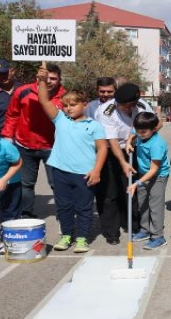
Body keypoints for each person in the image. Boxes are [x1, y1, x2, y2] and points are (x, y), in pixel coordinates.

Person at [35, 65, 108, 253]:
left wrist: (97, 170)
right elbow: (43, 100)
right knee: (64, 207)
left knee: (83, 207)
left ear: (84, 104)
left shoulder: (95, 126)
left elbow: (102, 149)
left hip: (84, 174)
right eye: (66, 105)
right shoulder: (60, 119)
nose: (68, 109)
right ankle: (66, 235)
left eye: (73, 105)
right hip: (60, 171)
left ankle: (82, 238)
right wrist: (42, 80)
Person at [1, 63, 65, 219]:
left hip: (53, 147)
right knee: (26, 184)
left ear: (59, 80)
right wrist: (8, 136)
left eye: (53, 78)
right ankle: (26, 214)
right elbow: (12, 115)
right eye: (45, 77)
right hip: (24, 145)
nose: (49, 81)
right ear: (38, 77)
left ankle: (63, 216)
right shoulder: (22, 91)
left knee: (57, 184)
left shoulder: (65, 96)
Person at [94, 83, 153, 245]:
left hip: (133, 150)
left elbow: (154, 124)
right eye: (123, 106)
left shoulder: (142, 106)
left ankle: (132, 224)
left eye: (129, 106)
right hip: (110, 152)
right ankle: (111, 231)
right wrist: (122, 162)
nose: (126, 109)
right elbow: (111, 140)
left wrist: (135, 138)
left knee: (130, 189)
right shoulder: (106, 111)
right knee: (109, 193)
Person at [126, 112, 170, 250]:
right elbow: (133, 133)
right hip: (143, 174)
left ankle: (158, 236)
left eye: (143, 132)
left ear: (153, 129)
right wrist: (128, 142)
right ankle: (145, 230)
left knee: (155, 206)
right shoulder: (140, 131)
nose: (140, 134)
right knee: (142, 203)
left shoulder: (157, 145)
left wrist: (137, 183)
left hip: (158, 176)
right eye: (138, 131)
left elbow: (153, 170)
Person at [0, 118, 22, 255]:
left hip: (9, 180)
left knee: (9, 211)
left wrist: (5, 179)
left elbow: (17, 162)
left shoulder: (4, 145)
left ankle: (8, 239)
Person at [0, 59, 22, 133]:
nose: (2, 76)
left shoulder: (24, 90)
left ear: (12, 71)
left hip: (20, 139)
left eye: (4, 73)